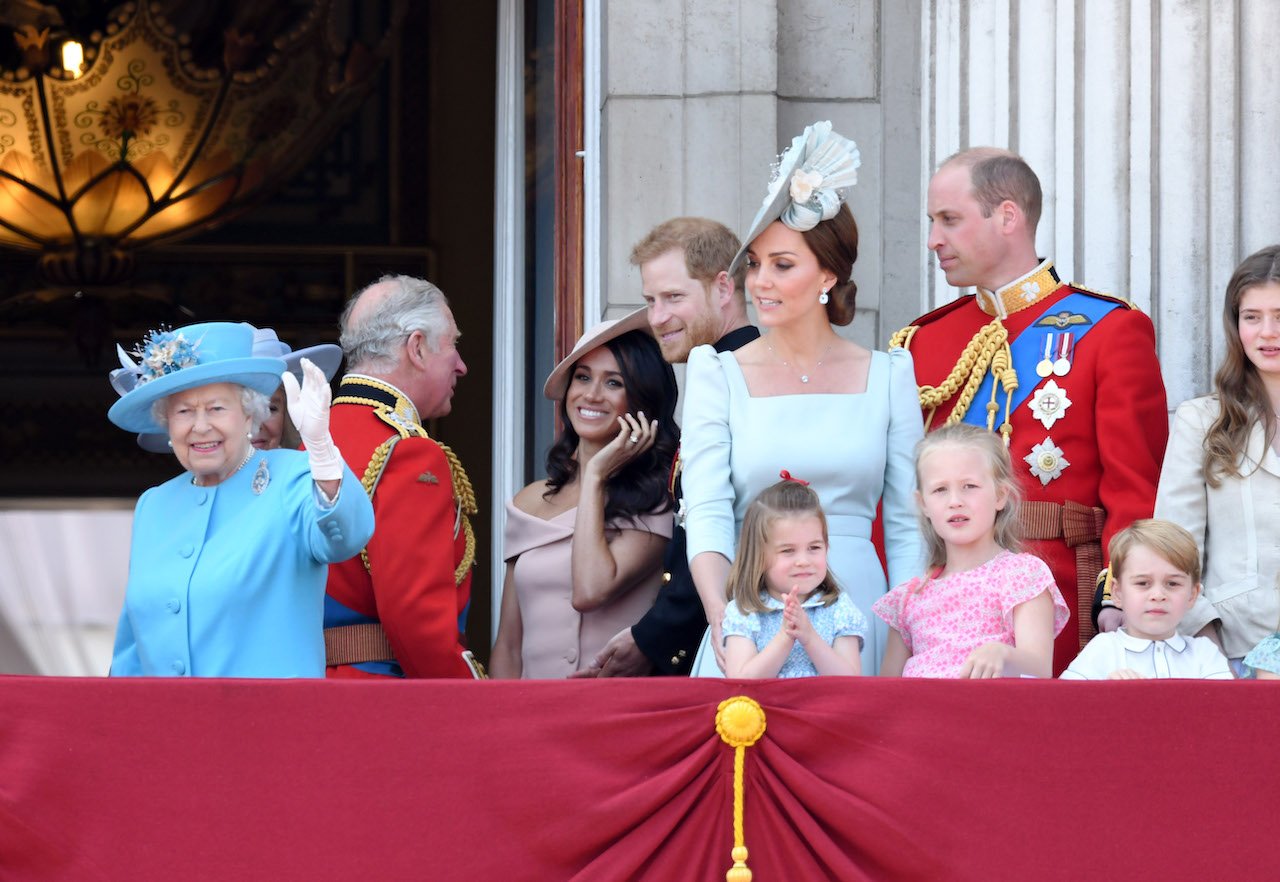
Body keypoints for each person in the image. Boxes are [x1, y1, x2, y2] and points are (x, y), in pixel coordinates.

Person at [889, 147, 1168, 675]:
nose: (933, 240)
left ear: (1009, 217)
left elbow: (1136, 491)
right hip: (943, 609)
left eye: (949, 220)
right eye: (932, 221)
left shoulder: (1106, 328)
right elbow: (898, 492)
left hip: (1062, 598)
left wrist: (1117, 597)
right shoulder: (922, 342)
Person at [682, 121, 923, 676]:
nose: (759, 281)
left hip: (863, 616)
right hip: (750, 619)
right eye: (756, 264)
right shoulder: (716, 372)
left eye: (782, 265)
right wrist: (722, 615)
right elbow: (710, 511)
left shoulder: (890, 375)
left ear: (828, 275)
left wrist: (902, 639)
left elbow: (910, 526)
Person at [106, 321, 374, 677]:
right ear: (167, 423)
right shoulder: (154, 505)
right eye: (184, 411)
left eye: (216, 408)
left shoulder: (292, 478)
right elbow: (133, 646)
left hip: (267, 725)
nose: (200, 426)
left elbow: (347, 536)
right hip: (166, 727)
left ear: (250, 413)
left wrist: (323, 451)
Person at [581, 216, 758, 677]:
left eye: (674, 298)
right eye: (650, 301)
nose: (657, 318)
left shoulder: (748, 375)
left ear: (724, 288)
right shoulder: (716, 368)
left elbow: (729, 529)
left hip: (740, 647)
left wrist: (655, 637)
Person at [490, 311, 680, 678]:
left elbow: (590, 591)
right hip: (532, 714)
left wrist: (594, 476)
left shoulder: (657, 499)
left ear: (642, 399)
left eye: (614, 383)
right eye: (582, 377)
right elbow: (509, 644)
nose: (591, 395)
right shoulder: (528, 502)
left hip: (614, 715)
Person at [324, 275, 479, 678]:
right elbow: (418, 622)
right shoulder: (408, 454)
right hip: (380, 700)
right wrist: (467, 700)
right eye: (452, 345)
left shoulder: (310, 442)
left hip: (310, 689)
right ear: (417, 348)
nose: (461, 365)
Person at [1153, 245, 1280, 672]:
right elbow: (1173, 546)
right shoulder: (1202, 420)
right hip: (1235, 648)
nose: (1267, 332)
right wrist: (1207, 647)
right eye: (1252, 317)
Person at [875, 424, 1068, 678]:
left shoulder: (1022, 575)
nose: (955, 500)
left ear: (1000, 495)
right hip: (919, 716)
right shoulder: (908, 598)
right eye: (940, 489)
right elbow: (887, 690)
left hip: (991, 715)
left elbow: (1040, 668)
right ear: (923, 504)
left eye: (969, 486)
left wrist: (1004, 654)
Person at [114, 326, 344, 454]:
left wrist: (321, 453)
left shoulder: (302, 487)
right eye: (219, 408)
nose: (255, 422)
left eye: (271, 408)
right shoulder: (158, 505)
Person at [722, 475, 865, 678]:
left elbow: (851, 680)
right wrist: (785, 637)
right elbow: (741, 682)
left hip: (823, 709)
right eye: (788, 551)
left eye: (814, 547)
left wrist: (809, 638)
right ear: (759, 556)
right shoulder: (745, 611)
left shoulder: (839, 609)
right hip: (766, 709)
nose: (803, 560)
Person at [1061, 520, 1232, 680]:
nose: (1158, 595)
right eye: (1143, 583)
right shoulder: (1102, 650)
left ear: (1192, 595)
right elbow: (1063, 704)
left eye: (1172, 583)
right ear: (1118, 593)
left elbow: (1226, 707)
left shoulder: (1205, 653)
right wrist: (1105, 694)